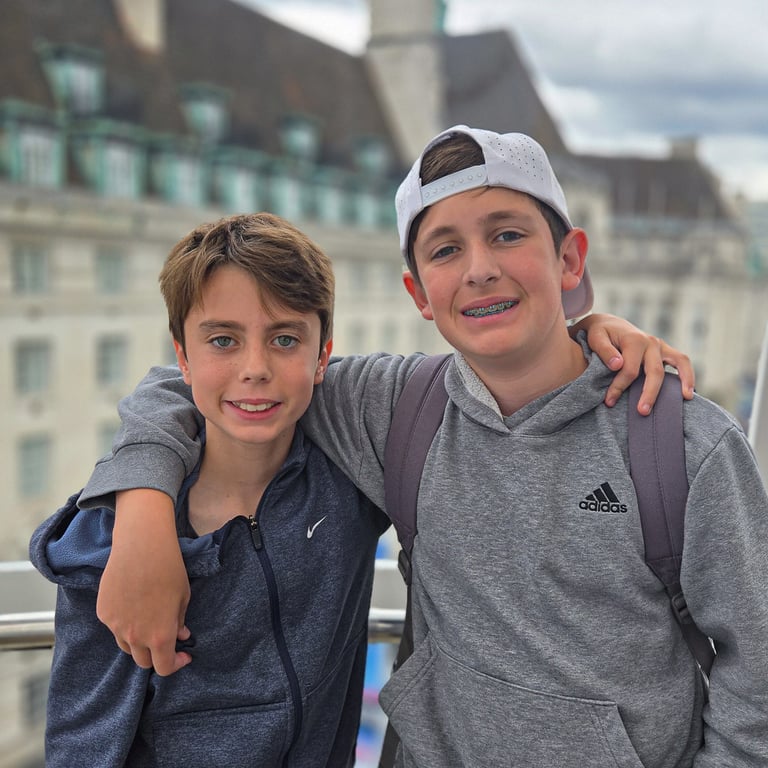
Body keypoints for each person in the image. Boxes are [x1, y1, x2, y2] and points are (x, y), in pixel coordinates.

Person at [69, 127, 733, 766]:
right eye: (445, 250)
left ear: (569, 259)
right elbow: (191, 383)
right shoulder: (391, 407)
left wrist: (593, 330)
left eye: (507, 234)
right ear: (418, 292)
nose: (480, 269)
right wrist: (144, 516)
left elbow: (754, 675)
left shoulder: (681, 444)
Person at [29, 213, 389, 767]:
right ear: (182, 356)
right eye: (223, 340)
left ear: (323, 356)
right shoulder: (113, 539)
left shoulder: (348, 482)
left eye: (285, 339)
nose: (255, 368)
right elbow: (83, 736)